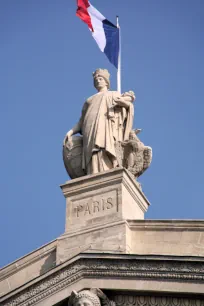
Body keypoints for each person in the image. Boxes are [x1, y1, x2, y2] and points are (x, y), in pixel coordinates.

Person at [63, 69, 135, 174]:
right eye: (96, 79)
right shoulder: (89, 100)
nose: (98, 81)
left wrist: (125, 103)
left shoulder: (113, 94)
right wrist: (71, 131)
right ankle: (93, 172)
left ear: (106, 81)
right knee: (91, 151)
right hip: (89, 128)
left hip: (106, 126)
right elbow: (81, 121)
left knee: (102, 146)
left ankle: (107, 169)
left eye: (100, 78)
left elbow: (127, 106)